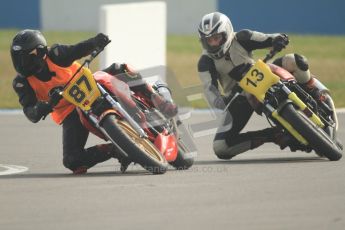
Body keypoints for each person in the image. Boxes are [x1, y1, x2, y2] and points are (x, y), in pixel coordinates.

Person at [11, 29, 177, 174]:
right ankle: (117, 150)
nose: (21, 63)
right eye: (17, 58)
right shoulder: (22, 83)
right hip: (70, 112)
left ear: (41, 52)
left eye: (26, 57)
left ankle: (157, 99)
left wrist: (95, 42)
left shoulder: (56, 54)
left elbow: (77, 50)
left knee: (120, 68)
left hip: (91, 84)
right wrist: (45, 106)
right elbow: (31, 113)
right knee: (71, 160)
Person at [197, 12, 337, 160]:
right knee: (221, 147)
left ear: (227, 32)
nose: (213, 43)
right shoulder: (205, 62)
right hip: (239, 96)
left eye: (216, 38)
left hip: (264, 71)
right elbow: (209, 89)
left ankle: (317, 94)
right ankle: (274, 135)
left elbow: (268, 38)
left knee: (296, 60)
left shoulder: (242, 37)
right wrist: (221, 101)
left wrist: (279, 39)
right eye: (208, 41)